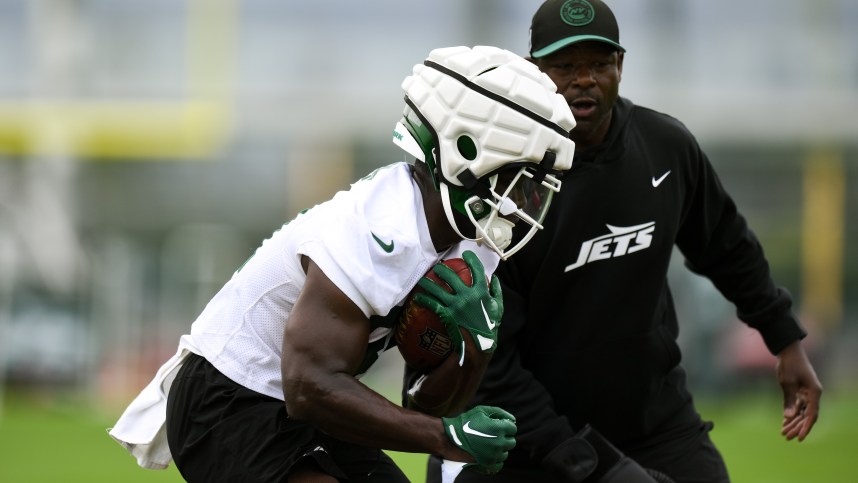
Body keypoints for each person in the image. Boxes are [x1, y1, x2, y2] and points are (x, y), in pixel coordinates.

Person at [107, 45, 576, 482]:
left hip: (307, 401)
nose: (525, 203)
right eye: (519, 179)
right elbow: (307, 384)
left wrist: (472, 351)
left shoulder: (472, 239)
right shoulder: (384, 224)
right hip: (230, 394)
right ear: (467, 152)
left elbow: (425, 403)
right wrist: (445, 439)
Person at [412, 2, 823, 482]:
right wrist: (584, 461)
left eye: (599, 65)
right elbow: (490, 360)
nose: (583, 79)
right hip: (525, 438)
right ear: (533, 71)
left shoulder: (665, 146)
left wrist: (786, 343)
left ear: (621, 66)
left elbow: (728, 248)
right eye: (564, 66)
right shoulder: (500, 181)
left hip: (652, 424)